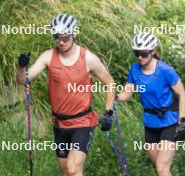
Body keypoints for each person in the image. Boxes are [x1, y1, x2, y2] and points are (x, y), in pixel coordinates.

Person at [16, 13, 115, 176]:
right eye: (57, 37)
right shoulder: (48, 56)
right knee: (68, 172)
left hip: (83, 122)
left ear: (74, 33)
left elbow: (109, 82)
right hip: (60, 124)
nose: (61, 42)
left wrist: (108, 113)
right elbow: (23, 80)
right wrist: (21, 66)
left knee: (72, 168)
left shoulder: (88, 58)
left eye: (65, 37)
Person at [117, 32, 185, 176]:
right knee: (158, 168)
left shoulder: (165, 70)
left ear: (153, 52)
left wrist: (181, 122)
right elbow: (127, 92)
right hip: (150, 125)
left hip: (169, 123)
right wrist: (115, 97)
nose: (139, 57)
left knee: (162, 168)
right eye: (136, 53)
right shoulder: (135, 69)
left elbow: (182, 95)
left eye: (143, 54)